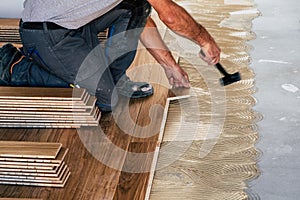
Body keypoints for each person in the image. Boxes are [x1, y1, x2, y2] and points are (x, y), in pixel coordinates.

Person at [0, 0, 220, 112]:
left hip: (74, 23)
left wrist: (170, 66)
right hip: (45, 32)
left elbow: (142, 20)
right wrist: (205, 40)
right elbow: (170, 16)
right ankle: (13, 65)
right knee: (105, 101)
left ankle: (113, 78)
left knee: (137, 6)